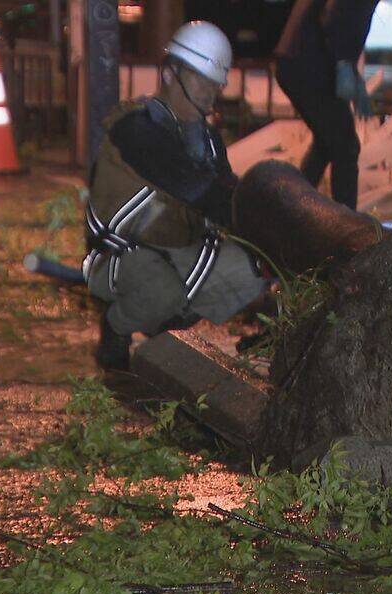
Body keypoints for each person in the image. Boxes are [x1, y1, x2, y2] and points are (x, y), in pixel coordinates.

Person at [84, 21, 268, 370]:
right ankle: (115, 326)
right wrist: (259, 213)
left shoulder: (208, 140)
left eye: (215, 84)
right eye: (199, 79)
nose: (208, 92)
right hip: (119, 254)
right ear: (170, 74)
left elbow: (225, 192)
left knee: (249, 274)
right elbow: (198, 189)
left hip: (176, 247)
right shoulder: (137, 128)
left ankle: (167, 323)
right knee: (162, 292)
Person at [274, 0, 381, 210]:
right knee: (345, 147)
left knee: (328, 143)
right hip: (309, 61)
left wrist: (348, 68)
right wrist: (344, 64)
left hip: (301, 58)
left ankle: (291, 211)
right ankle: (347, 229)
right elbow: (337, 15)